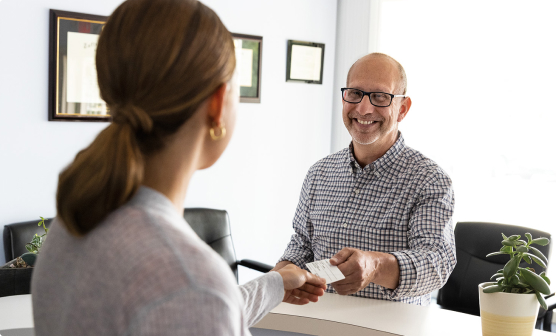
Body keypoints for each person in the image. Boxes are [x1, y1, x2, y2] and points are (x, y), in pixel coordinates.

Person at [31, 0, 326, 335]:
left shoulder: (72, 225)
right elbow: (193, 301)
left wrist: (274, 285)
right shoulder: (188, 280)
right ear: (217, 104)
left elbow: (187, 310)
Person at [273, 53, 456, 306]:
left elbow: (437, 263)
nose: (363, 108)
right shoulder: (319, 174)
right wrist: (277, 278)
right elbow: (302, 245)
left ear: (402, 109)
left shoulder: (429, 180)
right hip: (318, 324)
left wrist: (375, 267)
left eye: (380, 97)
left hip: (392, 330)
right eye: (355, 93)